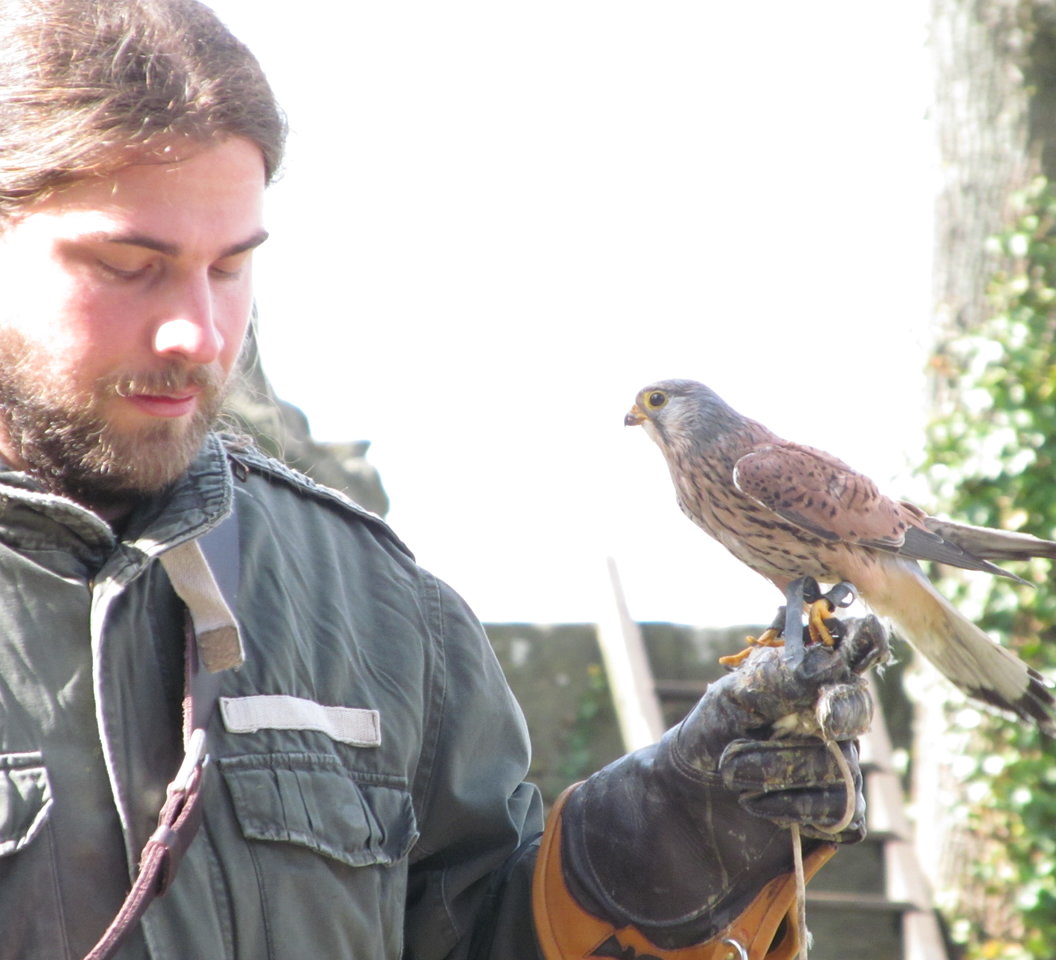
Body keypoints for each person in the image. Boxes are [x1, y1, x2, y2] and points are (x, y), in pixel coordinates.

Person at [0, 2, 872, 958]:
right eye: (130, 265)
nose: (201, 334)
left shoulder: (379, 612)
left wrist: (659, 847)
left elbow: (472, 932)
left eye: (231, 268)